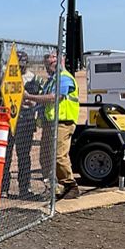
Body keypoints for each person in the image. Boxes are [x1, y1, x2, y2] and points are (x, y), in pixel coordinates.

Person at [24, 50, 80, 200]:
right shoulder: (51, 81)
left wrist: (30, 96)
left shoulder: (64, 78)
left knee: (59, 156)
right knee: (46, 158)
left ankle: (71, 186)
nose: (50, 63)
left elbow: (55, 98)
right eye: (47, 60)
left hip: (63, 122)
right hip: (50, 123)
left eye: (53, 59)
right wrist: (33, 103)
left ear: (61, 60)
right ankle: (53, 188)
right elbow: (45, 101)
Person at [2, 67, 44, 198]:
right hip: (8, 121)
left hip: (26, 122)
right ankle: (3, 188)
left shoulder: (34, 79)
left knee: (24, 157)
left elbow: (40, 99)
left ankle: (24, 188)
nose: (21, 67)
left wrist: (32, 103)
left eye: (23, 64)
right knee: (5, 157)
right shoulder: (6, 77)